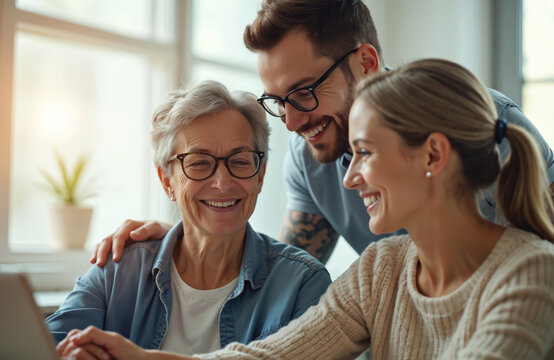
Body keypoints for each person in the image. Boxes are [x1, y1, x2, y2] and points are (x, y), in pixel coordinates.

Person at [57, 59, 554, 360]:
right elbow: (267, 356)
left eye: (365, 152)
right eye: (200, 165)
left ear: (433, 156)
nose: (348, 175)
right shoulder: (381, 269)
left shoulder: (532, 272)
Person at [90, 0, 554, 267]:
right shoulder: (307, 152)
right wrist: (187, 239)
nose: (290, 121)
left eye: (305, 91)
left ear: (366, 64)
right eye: (277, 101)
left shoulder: (486, 127)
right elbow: (284, 267)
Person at [47, 80, 331, 357]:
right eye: (199, 163)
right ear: (167, 180)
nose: (222, 182)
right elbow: (41, 349)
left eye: (240, 160)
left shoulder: (302, 284)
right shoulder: (118, 269)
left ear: (260, 174)